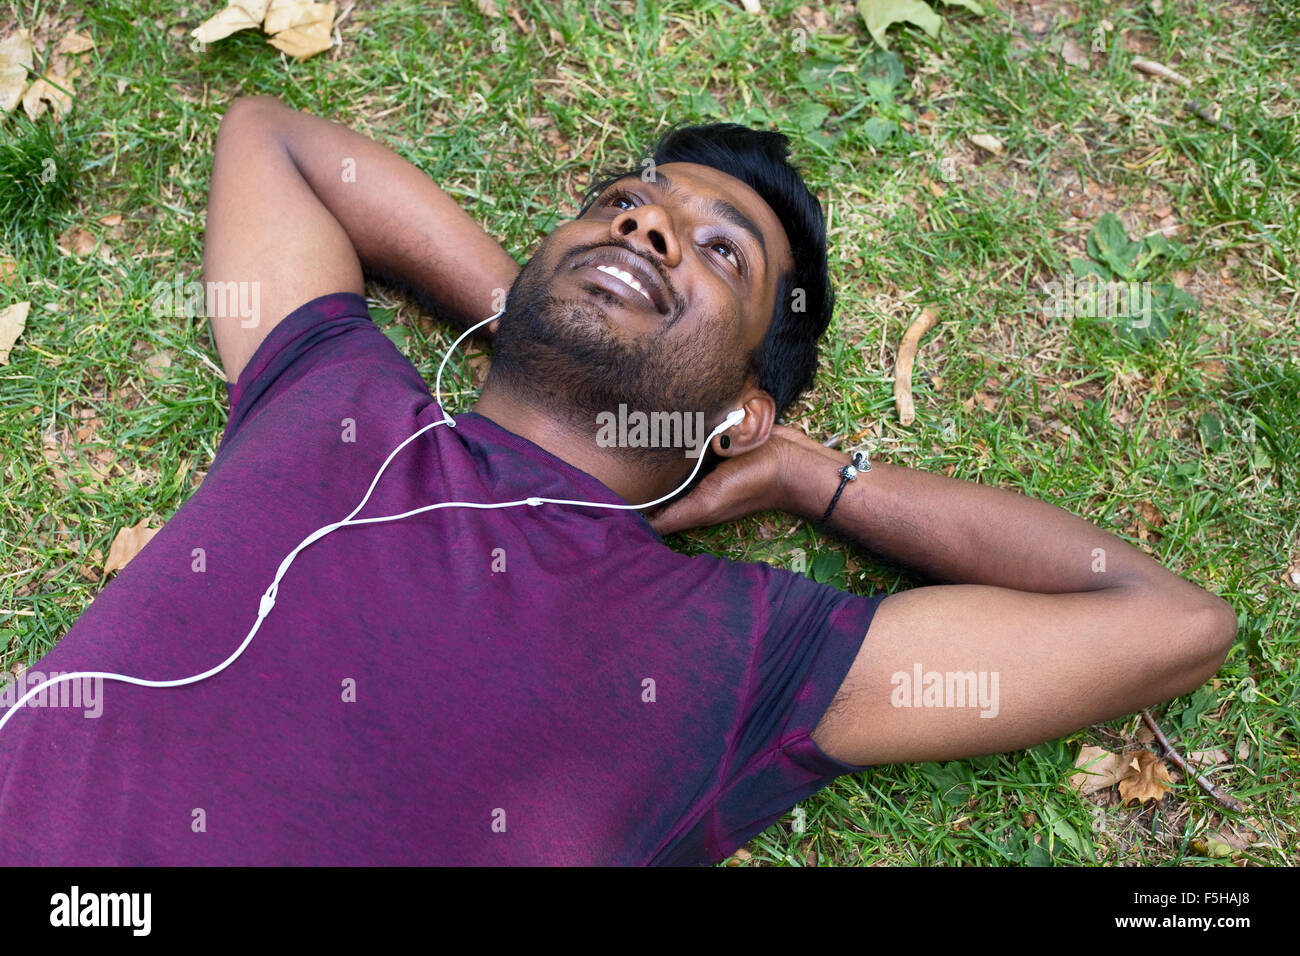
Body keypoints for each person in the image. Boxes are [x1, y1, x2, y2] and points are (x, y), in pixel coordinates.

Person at [0, 96, 1236, 865]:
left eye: (717, 252)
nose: (647, 224)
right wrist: (532, 314)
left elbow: (1168, 620)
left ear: (745, 405)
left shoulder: (735, 648)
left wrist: (806, 477)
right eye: (622, 205)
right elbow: (272, 139)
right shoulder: (334, 393)